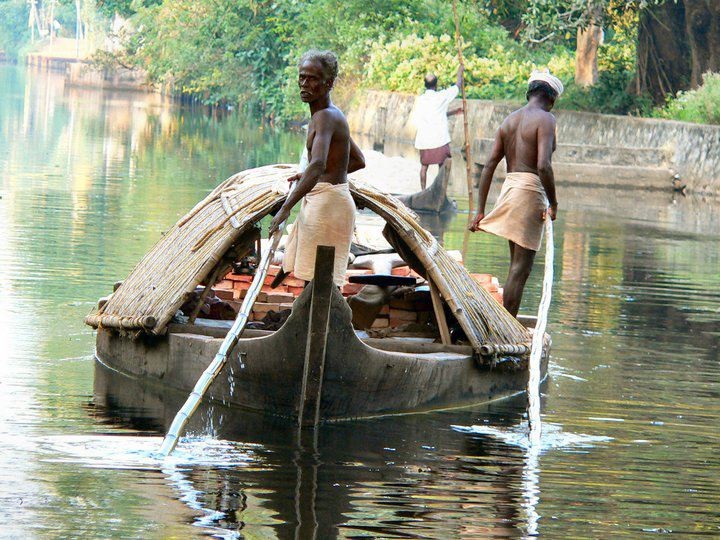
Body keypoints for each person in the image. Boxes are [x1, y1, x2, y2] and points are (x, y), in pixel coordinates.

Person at [468, 70, 563, 317]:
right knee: (520, 270)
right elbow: (543, 165)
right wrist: (554, 203)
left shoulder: (509, 120)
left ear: (529, 93)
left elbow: (489, 165)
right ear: (551, 99)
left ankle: (505, 322)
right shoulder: (546, 119)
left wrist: (479, 210)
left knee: (515, 267)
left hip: (509, 189)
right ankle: (508, 327)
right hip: (529, 192)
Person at [269, 49, 365, 286]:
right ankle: (315, 323)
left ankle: (330, 323)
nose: (304, 84)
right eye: (302, 77)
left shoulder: (324, 117)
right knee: (317, 281)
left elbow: (318, 163)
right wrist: (317, 174)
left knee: (320, 282)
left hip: (328, 206)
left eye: (312, 79)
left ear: (328, 83)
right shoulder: (332, 116)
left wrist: (285, 208)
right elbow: (357, 160)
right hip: (331, 202)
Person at [412, 66, 464, 190]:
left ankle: (423, 190)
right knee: (443, 165)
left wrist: (453, 112)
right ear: (436, 84)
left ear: (425, 85)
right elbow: (457, 86)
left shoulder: (420, 100)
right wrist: (459, 72)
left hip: (424, 140)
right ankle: (441, 190)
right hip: (439, 139)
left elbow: (433, 115)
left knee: (424, 167)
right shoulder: (441, 96)